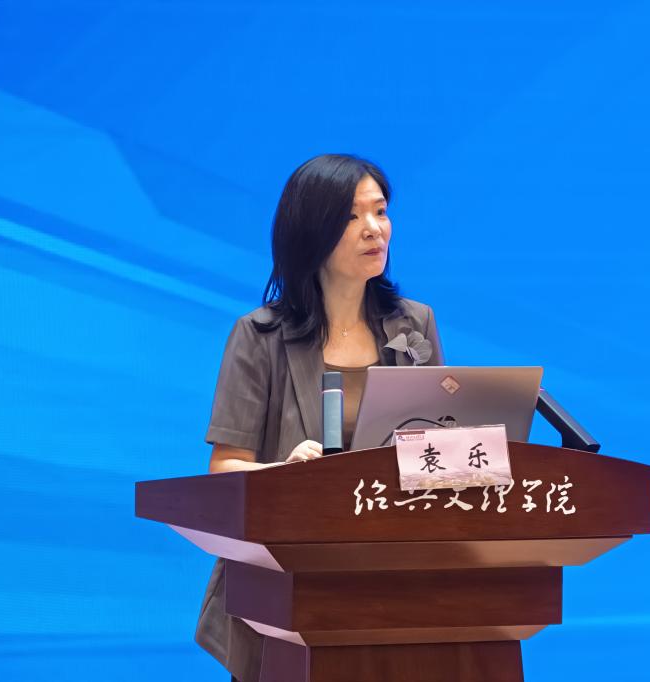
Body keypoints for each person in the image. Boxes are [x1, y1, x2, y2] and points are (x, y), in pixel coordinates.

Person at [195, 154, 444, 681]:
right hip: (285, 586)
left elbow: (437, 450)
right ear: (313, 230)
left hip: (389, 583)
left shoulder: (414, 325)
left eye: (380, 211)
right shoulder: (259, 337)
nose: (374, 229)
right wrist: (285, 475)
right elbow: (225, 471)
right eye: (352, 217)